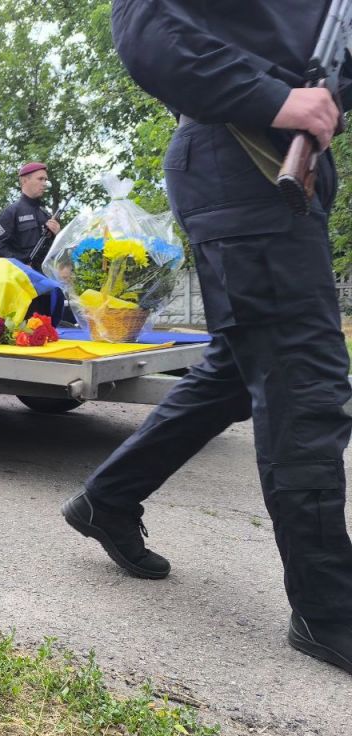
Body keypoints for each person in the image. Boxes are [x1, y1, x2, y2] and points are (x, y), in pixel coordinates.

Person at [62, 0, 352, 676]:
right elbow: (144, 25)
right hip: (245, 159)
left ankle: (107, 499)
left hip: (266, 170)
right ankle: (330, 609)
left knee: (235, 373)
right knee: (302, 379)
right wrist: (279, 99)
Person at [0, 162, 61, 270]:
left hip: (45, 276)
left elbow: (56, 252)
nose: (44, 184)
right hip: (20, 276)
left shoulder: (46, 215)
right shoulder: (12, 212)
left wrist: (58, 234)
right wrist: (20, 265)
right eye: (40, 179)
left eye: (45, 180)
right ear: (24, 180)